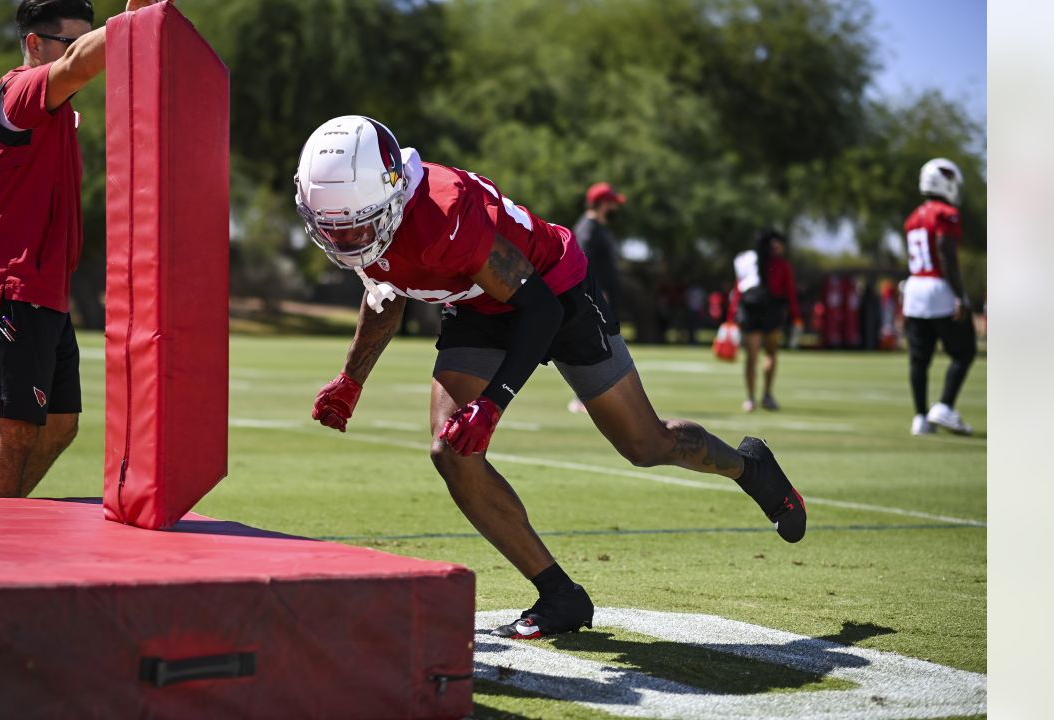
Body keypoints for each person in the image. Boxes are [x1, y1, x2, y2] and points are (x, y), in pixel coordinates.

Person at [298, 116, 807, 639]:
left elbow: (539, 311)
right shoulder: (368, 211)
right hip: (475, 301)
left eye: (354, 225)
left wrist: (492, 404)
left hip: (554, 290)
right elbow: (384, 291)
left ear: (393, 191)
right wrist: (351, 378)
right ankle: (559, 594)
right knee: (451, 450)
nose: (344, 239)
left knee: (645, 444)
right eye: (331, 226)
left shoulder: (443, 214)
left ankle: (749, 468)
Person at [0, 0, 164, 499]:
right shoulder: (20, 89)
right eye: (74, 40)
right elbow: (75, 67)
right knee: (13, 433)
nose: (85, 52)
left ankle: (0, 529)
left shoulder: (56, 110)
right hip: (4, 291)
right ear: (34, 44)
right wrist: (132, 23)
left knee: (60, 425)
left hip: (43, 296)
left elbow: (74, 67)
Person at [902, 158, 976, 436]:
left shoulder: (913, 216)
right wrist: (961, 295)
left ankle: (920, 417)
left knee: (919, 358)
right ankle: (944, 405)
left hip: (914, 287)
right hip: (937, 287)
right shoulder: (945, 213)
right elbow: (946, 253)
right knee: (964, 351)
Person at [727, 229, 801, 412]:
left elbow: (738, 289)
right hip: (771, 310)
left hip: (750, 309)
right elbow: (790, 292)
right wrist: (796, 316)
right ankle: (767, 395)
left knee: (751, 357)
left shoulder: (745, 260)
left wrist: (730, 316)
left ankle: (750, 399)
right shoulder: (781, 264)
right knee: (770, 354)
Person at [567, 182, 626, 412]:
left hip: (603, 297)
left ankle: (599, 394)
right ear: (603, 203)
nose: (614, 207)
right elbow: (582, 262)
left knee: (604, 345)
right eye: (611, 202)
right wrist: (597, 293)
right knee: (594, 344)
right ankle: (584, 397)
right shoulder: (588, 229)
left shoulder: (598, 227)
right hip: (595, 297)